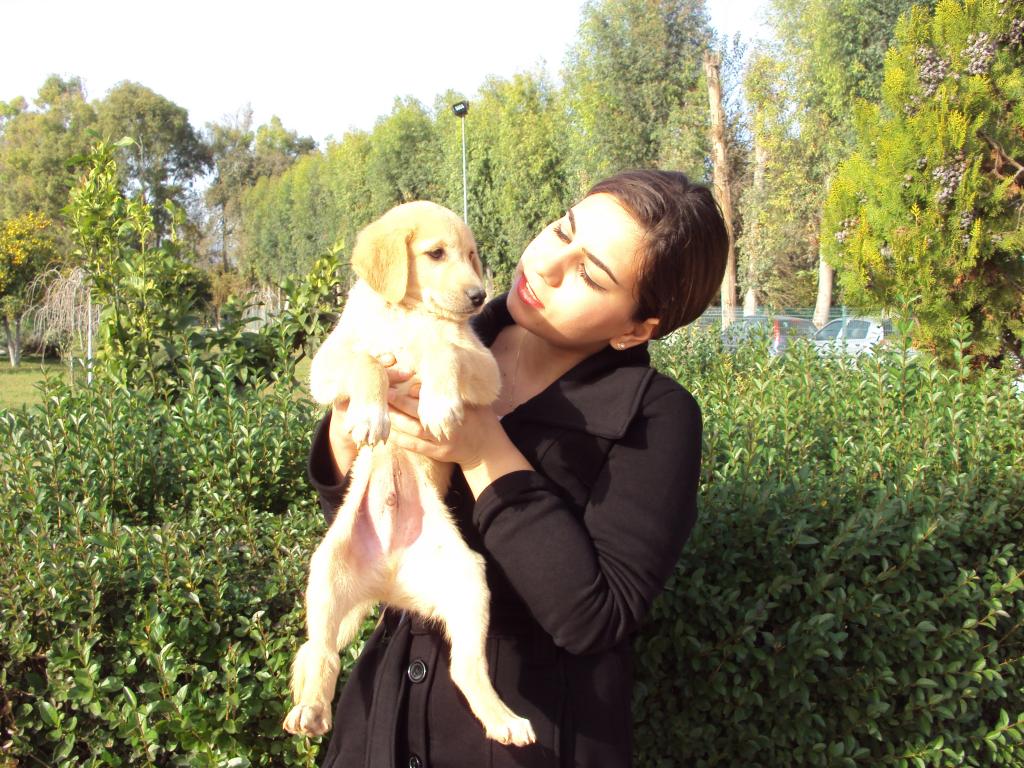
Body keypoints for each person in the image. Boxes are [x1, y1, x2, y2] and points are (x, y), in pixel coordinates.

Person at [306, 169, 729, 768]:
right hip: (382, 721)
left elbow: (595, 617)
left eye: (589, 274)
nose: (547, 265)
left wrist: (483, 450)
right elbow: (369, 519)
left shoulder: (655, 417)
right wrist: (348, 426)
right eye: (562, 230)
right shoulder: (447, 323)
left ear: (637, 329)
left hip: (528, 740)